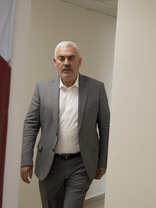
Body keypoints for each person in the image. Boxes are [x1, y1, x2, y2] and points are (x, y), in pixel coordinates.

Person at [20, 41, 110, 208]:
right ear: (55, 62)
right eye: (61, 58)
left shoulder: (96, 88)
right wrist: (26, 160)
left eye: (71, 58)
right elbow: (30, 125)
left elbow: (105, 127)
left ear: (79, 61)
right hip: (49, 164)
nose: (66, 63)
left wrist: (102, 162)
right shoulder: (43, 88)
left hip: (81, 164)